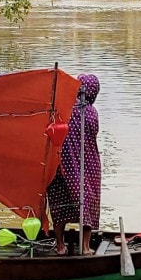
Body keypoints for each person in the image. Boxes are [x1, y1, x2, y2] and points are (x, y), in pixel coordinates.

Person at [46, 74, 103, 255]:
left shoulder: (62, 109)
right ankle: (85, 247)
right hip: (87, 166)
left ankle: (60, 246)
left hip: (60, 164)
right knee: (86, 203)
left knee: (60, 204)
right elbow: (92, 136)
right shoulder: (92, 113)